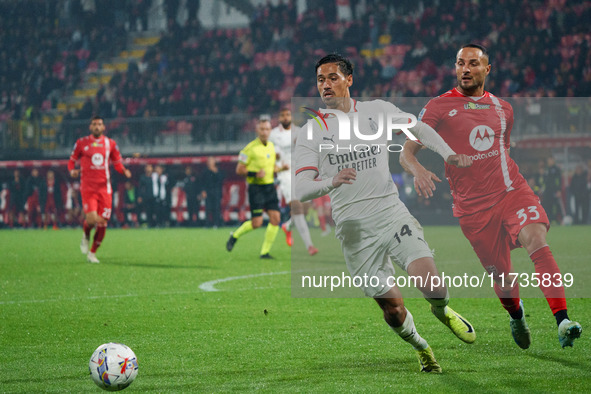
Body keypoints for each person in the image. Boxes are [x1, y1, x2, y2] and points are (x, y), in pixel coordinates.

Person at [295, 53, 476, 373]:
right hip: (354, 229)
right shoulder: (312, 131)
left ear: (349, 80)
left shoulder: (377, 111)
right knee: (393, 309)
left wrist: (449, 154)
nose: (326, 84)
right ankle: (422, 347)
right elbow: (300, 188)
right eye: (321, 79)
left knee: (431, 284)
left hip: (390, 213)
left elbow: (419, 129)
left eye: (333, 77)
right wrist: (330, 181)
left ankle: (443, 310)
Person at [400, 44, 582, 349]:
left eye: (473, 63)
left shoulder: (504, 109)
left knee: (536, 239)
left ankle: (562, 319)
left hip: (511, 191)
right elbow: (406, 152)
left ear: (487, 69)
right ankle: (517, 314)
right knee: (504, 279)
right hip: (472, 210)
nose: (465, 69)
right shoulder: (438, 107)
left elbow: (503, 151)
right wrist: (417, 169)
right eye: (460, 63)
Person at [68, 115, 132, 263]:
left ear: (104, 127)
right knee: (91, 219)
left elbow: (117, 163)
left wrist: (124, 170)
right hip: (88, 188)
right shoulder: (81, 143)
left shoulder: (110, 144)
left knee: (102, 223)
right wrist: (72, 170)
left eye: (99, 124)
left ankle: (92, 253)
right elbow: (71, 161)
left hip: (105, 189)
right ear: (90, 127)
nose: (97, 126)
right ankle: (85, 235)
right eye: (94, 124)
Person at [226, 118, 287, 259]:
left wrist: (281, 168)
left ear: (270, 130)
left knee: (276, 219)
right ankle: (234, 235)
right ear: (257, 130)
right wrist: (254, 173)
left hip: (269, 187)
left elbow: (271, 168)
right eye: (262, 129)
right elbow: (239, 169)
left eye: (267, 129)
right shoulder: (249, 148)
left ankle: (264, 252)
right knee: (257, 223)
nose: (265, 132)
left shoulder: (272, 147)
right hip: (256, 189)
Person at [269, 108, 318, 255]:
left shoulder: (301, 131)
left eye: (288, 114)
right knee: (296, 207)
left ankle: (288, 226)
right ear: (279, 118)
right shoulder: (274, 135)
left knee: (305, 209)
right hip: (285, 174)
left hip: (300, 172)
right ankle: (310, 246)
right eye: (282, 115)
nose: (285, 117)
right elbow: (273, 155)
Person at [201, 156, 224, 228]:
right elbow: (202, 182)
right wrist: (203, 191)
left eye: (212, 160)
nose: (211, 162)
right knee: (208, 208)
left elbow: (221, 180)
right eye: (209, 160)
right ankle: (207, 224)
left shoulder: (218, 170)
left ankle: (216, 224)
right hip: (208, 191)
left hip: (216, 191)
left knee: (216, 208)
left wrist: (215, 171)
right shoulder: (205, 171)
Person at [542, 157, 563, 223]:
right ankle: (549, 219)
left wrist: (558, 190)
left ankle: (555, 219)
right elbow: (544, 181)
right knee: (547, 205)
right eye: (548, 161)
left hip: (554, 191)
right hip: (547, 191)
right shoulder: (546, 169)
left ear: (553, 161)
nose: (549, 162)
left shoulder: (556, 169)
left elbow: (558, 180)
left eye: (550, 160)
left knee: (554, 205)